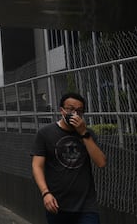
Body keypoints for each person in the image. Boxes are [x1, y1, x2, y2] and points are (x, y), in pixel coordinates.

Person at [31, 92, 107, 223]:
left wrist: (83, 133)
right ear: (61, 110)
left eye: (79, 111)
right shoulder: (45, 133)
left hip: (86, 205)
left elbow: (101, 162)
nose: (74, 114)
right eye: (70, 109)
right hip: (57, 202)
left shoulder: (88, 134)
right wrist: (45, 193)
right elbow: (37, 166)